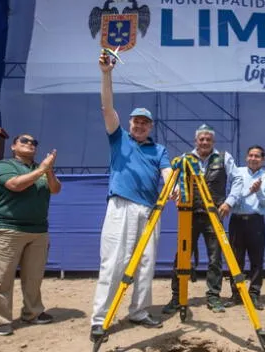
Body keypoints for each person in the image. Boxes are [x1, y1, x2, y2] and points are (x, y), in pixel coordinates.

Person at [90, 50, 172, 339]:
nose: (139, 125)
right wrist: (106, 74)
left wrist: (172, 187)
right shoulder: (118, 137)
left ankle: (138, 311)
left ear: (150, 126)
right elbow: (107, 107)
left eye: (144, 122)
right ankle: (100, 319)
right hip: (121, 206)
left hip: (150, 211)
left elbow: (167, 173)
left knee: (146, 263)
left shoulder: (159, 149)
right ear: (130, 123)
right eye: (135, 121)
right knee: (114, 261)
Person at [0, 134, 62, 336]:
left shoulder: (41, 169)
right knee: (1, 279)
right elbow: (15, 185)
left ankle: (33, 313)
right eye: (24, 141)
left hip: (38, 231)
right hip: (7, 230)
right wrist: (42, 170)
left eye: (34, 143)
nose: (30, 144)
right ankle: (0, 321)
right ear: (13, 147)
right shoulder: (5, 165)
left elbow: (56, 189)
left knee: (33, 277)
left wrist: (48, 170)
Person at [162, 124, 243, 314]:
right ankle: (177, 297)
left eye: (208, 139)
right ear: (196, 141)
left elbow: (238, 179)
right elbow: (172, 179)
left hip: (213, 215)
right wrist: (174, 192)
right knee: (181, 257)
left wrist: (229, 202)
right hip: (188, 214)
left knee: (215, 257)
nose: (205, 142)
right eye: (201, 139)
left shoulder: (224, 158)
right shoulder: (185, 159)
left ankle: (213, 297)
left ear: (213, 141)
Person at [224, 145, 265, 311]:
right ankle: (236, 294)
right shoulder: (238, 173)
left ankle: (254, 294)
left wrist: (258, 192)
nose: (253, 158)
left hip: (256, 221)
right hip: (237, 221)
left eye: (257, 156)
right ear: (246, 157)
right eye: (251, 155)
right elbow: (233, 197)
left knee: (257, 260)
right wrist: (247, 192)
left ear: (263, 159)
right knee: (235, 260)